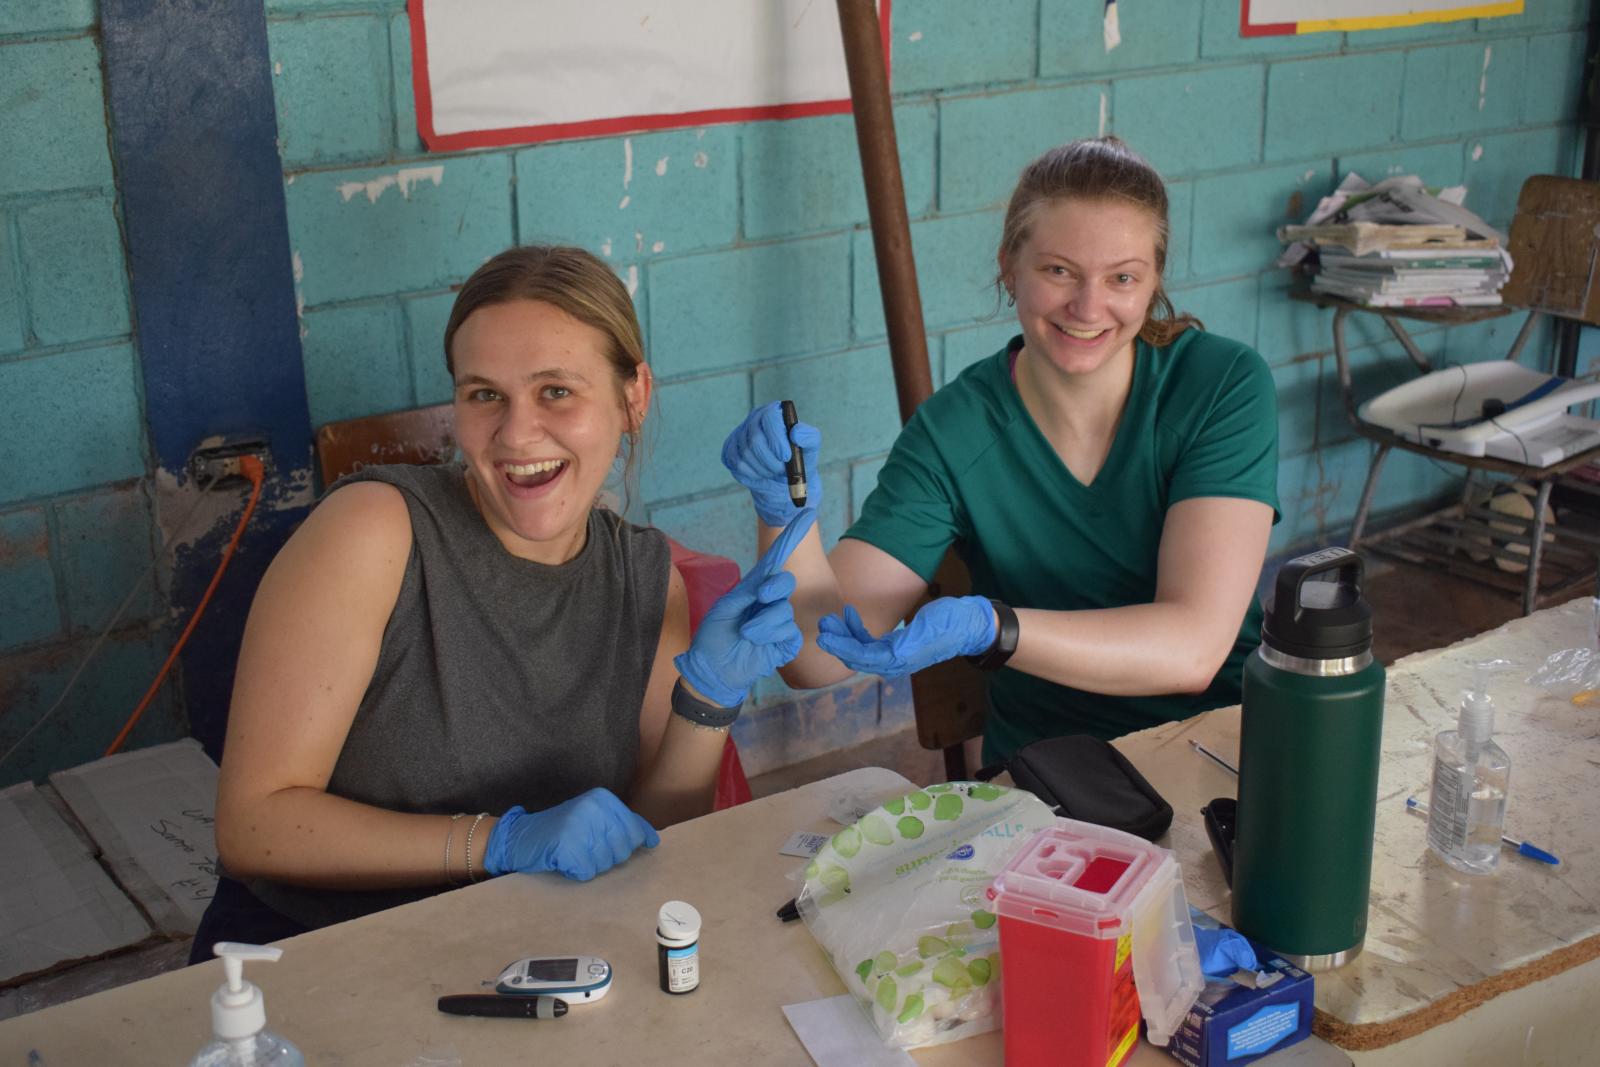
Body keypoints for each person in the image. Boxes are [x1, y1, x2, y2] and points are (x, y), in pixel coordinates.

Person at [194, 245, 814, 958]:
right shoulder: (374, 533)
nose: (517, 434)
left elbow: (651, 836)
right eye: (485, 393)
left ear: (633, 396)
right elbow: (252, 827)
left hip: (528, 963)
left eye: (557, 390)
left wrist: (708, 702)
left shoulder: (646, 577)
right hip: (314, 960)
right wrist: (500, 840)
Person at [722, 137, 1279, 765]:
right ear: (1009, 266)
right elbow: (815, 657)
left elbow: (1194, 649)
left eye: (1122, 277)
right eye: (1059, 270)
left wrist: (995, 626)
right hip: (1048, 771)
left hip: (1224, 747)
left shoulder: (1219, 384)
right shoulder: (954, 430)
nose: (1089, 306)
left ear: (1153, 283)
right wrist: (783, 511)